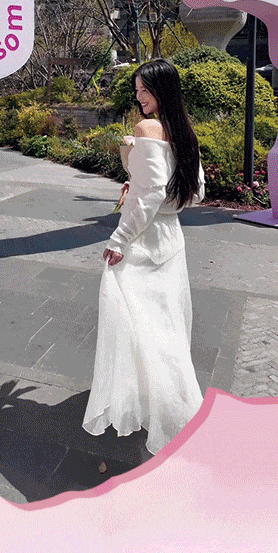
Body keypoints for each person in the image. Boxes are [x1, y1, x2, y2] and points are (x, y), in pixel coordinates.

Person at [82, 59, 205, 459]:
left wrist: (119, 238)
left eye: (144, 90)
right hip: (171, 238)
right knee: (164, 322)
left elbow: (150, 194)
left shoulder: (147, 129)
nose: (139, 97)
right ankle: (167, 400)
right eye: (137, 90)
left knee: (134, 319)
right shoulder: (184, 133)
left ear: (162, 90)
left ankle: (156, 401)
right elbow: (194, 192)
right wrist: (138, 181)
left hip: (144, 241)